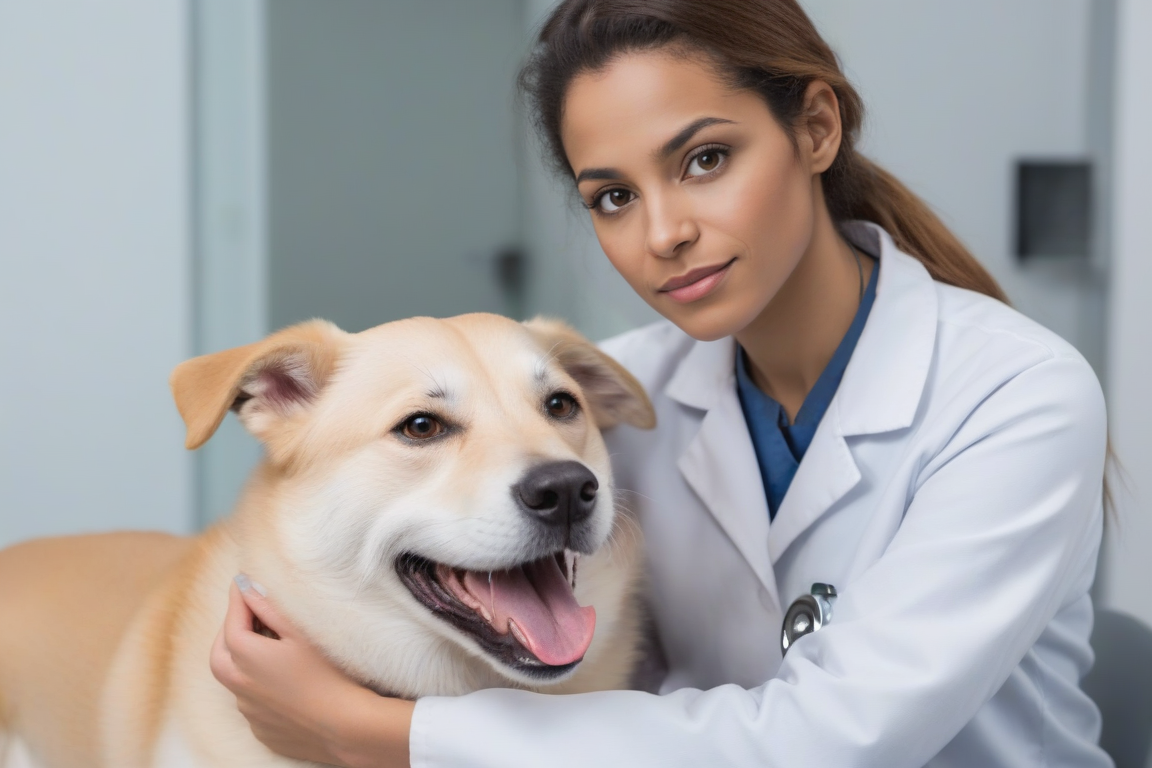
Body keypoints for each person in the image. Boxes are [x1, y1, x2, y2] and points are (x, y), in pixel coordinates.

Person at [209, 1, 1112, 766]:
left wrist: (379, 734)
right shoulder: (596, 402)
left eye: (705, 160)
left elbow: (834, 739)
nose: (664, 232)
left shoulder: (1017, 396)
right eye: (613, 196)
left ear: (817, 128)